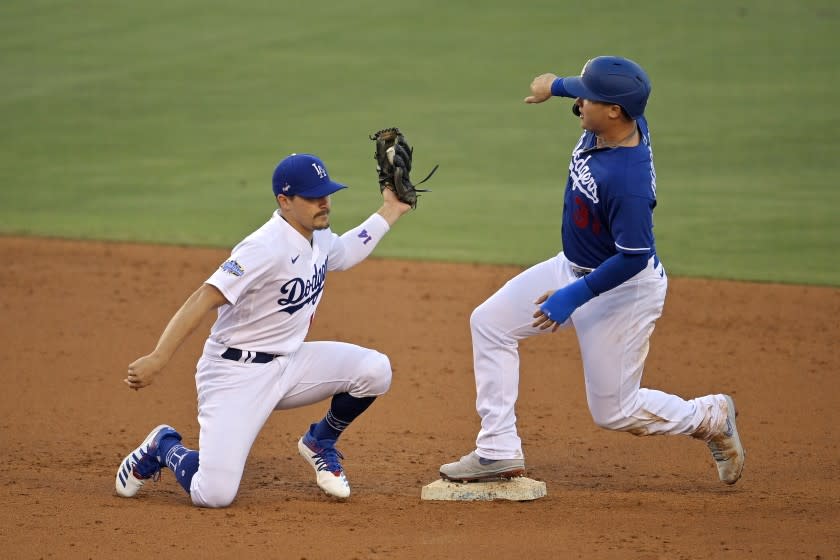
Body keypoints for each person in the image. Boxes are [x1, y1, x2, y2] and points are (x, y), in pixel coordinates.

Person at [439, 56, 745, 485]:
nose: (579, 100)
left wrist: (573, 295)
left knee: (614, 411)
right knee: (489, 323)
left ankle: (708, 416)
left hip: (620, 289)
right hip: (571, 266)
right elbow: (596, 89)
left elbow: (634, 255)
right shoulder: (612, 120)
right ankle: (497, 450)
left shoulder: (627, 179)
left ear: (614, 110)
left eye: (588, 96)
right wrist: (556, 86)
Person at [115, 152, 412, 507]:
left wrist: (391, 209)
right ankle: (163, 445)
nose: (324, 202)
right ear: (284, 201)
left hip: (290, 364)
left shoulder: (317, 234)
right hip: (235, 374)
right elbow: (203, 297)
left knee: (375, 370)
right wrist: (158, 357)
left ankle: (320, 441)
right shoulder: (262, 248)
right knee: (214, 495)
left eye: (326, 193)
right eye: (313, 196)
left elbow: (344, 252)